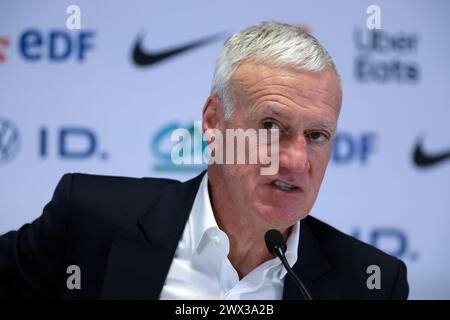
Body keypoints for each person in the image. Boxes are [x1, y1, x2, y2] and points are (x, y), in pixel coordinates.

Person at [0, 21, 408, 300]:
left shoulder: (369, 281)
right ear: (214, 123)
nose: (297, 160)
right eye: (271, 126)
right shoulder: (88, 220)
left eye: (317, 135)